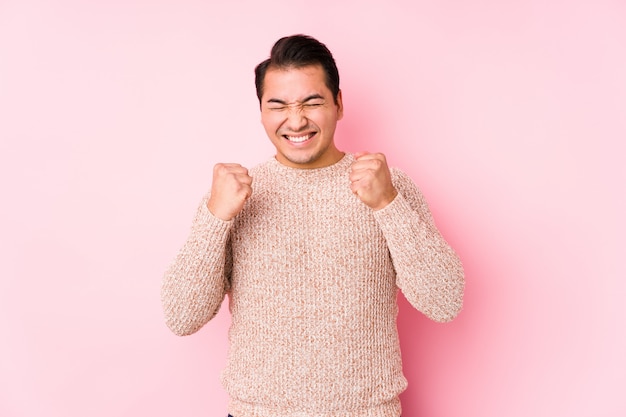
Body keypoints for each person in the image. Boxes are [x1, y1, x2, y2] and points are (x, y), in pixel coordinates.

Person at [161, 34, 464, 417]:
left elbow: (445, 300)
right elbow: (182, 316)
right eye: (278, 105)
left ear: (338, 104)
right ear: (261, 112)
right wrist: (215, 217)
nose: (296, 120)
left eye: (312, 102)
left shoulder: (388, 186)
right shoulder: (231, 197)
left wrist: (388, 204)